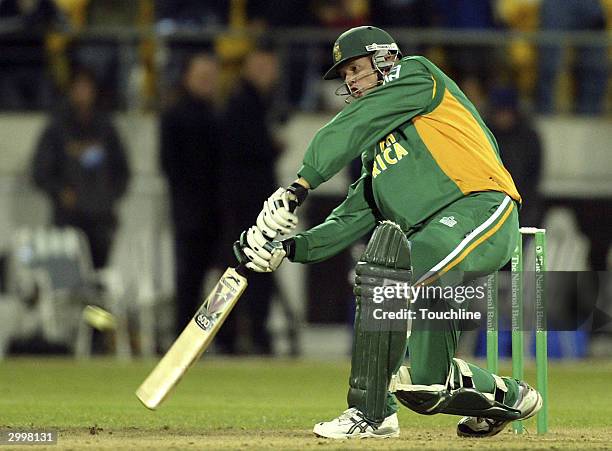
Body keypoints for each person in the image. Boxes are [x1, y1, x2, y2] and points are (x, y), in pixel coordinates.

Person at [233, 26, 543, 439]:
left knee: (385, 274)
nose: (350, 80)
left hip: (482, 209)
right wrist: (289, 248)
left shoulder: (417, 75)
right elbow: (352, 217)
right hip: (432, 249)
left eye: (356, 68)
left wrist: (299, 185)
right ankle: (511, 396)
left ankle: (371, 411)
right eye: (344, 75)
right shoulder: (375, 149)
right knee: (428, 389)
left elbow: (352, 123)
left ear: (384, 59)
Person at [216, 46, 281, 355]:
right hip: (248, 205)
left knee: (240, 269)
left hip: (244, 203)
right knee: (250, 269)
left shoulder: (253, 103)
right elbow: (250, 149)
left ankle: (234, 334)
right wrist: (272, 146)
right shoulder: (245, 104)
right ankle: (248, 334)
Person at [32, 67, 130, 269]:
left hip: (102, 218)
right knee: (68, 276)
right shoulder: (57, 129)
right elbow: (40, 172)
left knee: (99, 276)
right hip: (69, 219)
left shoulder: (106, 128)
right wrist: (61, 192)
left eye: (88, 87)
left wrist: (109, 195)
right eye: (79, 87)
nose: (83, 93)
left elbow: (123, 169)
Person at [160, 53, 223, 336]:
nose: (207, 83)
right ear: (187, 77)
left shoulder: (218, 114)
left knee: (223, 282)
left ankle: (211, 336)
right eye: (202, 77)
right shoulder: (176, 115)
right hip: (191, 214)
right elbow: (170, 165)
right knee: (190, 281)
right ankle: (186, 337)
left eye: (211, 77)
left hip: (217, 213)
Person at [487, 86, 543, 228]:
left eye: (505, 112)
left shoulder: (529, 137)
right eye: (498, 112)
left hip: (523, 205)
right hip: (491, 204)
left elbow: (533, 176)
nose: (502, 117)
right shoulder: (486, 136)